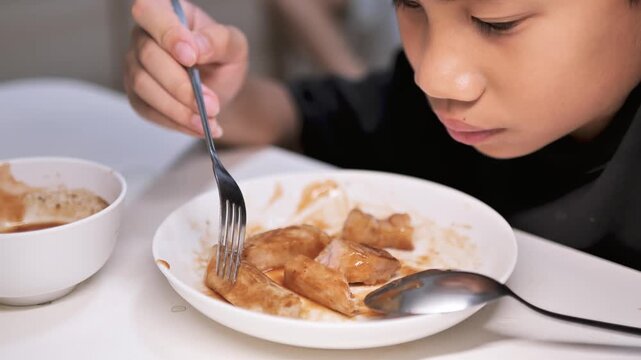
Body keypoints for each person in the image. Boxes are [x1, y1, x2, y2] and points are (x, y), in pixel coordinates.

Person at [124, 0, 641, 270]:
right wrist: (213, 93)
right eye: (410, 5)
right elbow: (307, 118)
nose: (433, 77)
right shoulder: (418, 110)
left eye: (497, 21)